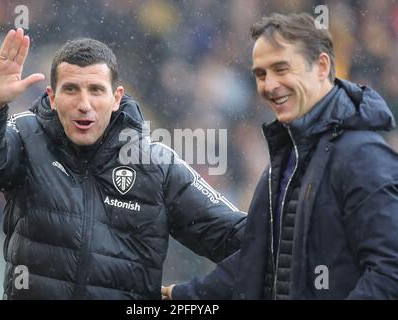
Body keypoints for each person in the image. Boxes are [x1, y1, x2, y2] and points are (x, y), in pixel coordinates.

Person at [0, 28, 246, 299]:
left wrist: (192, 295)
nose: (84, 103)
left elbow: (241, 239)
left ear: (116, 98)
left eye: (96, 90)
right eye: (71, 90)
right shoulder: (27, 136)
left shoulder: (156, 165)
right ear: (52, 98)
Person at [162, 12, 398, 300]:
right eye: (261, 74)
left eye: (281, 69)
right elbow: (258, 260)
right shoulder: (286, 160)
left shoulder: (361, 155)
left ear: (321, 66)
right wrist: (180, 296)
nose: (269, 85)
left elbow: (389, 272)